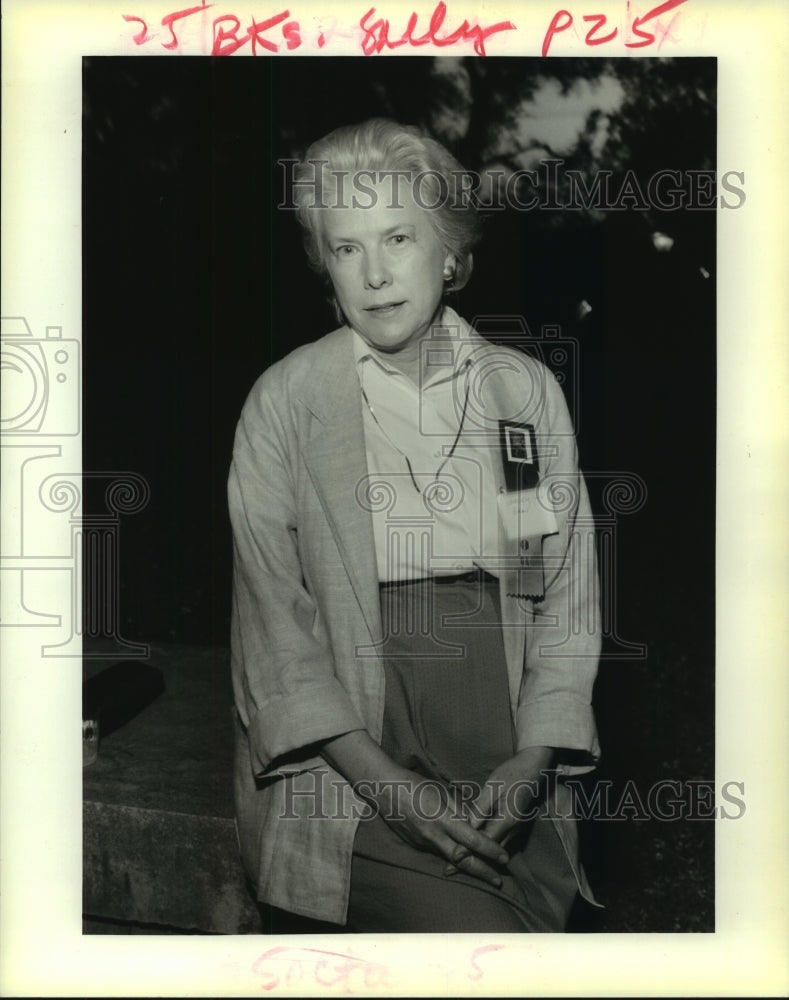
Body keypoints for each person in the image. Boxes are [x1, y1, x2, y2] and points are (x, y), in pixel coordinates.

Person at [228, 118, 601, 933]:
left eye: (397, 236)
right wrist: (385, 784)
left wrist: (535, 756)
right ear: (323, 267)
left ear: (449, 251)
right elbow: (276, 640)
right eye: (346, 247)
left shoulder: (521, 396)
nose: (375, 272)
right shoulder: (285, 404)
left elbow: (557, 595)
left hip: (504, 741)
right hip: (352, 757)